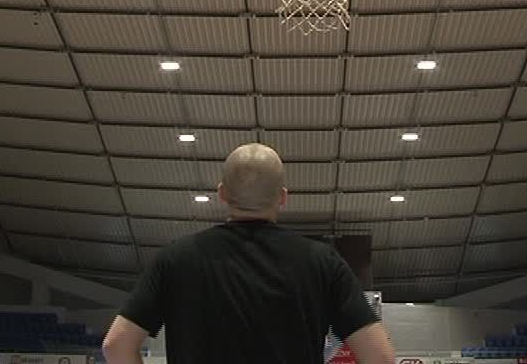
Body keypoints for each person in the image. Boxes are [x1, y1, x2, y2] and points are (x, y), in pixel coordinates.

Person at [102, 143, 396, 364]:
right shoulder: (323, 262)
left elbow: (117, 345)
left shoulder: (176, 259)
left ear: (222, 193)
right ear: (282, 197)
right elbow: (380, 357)